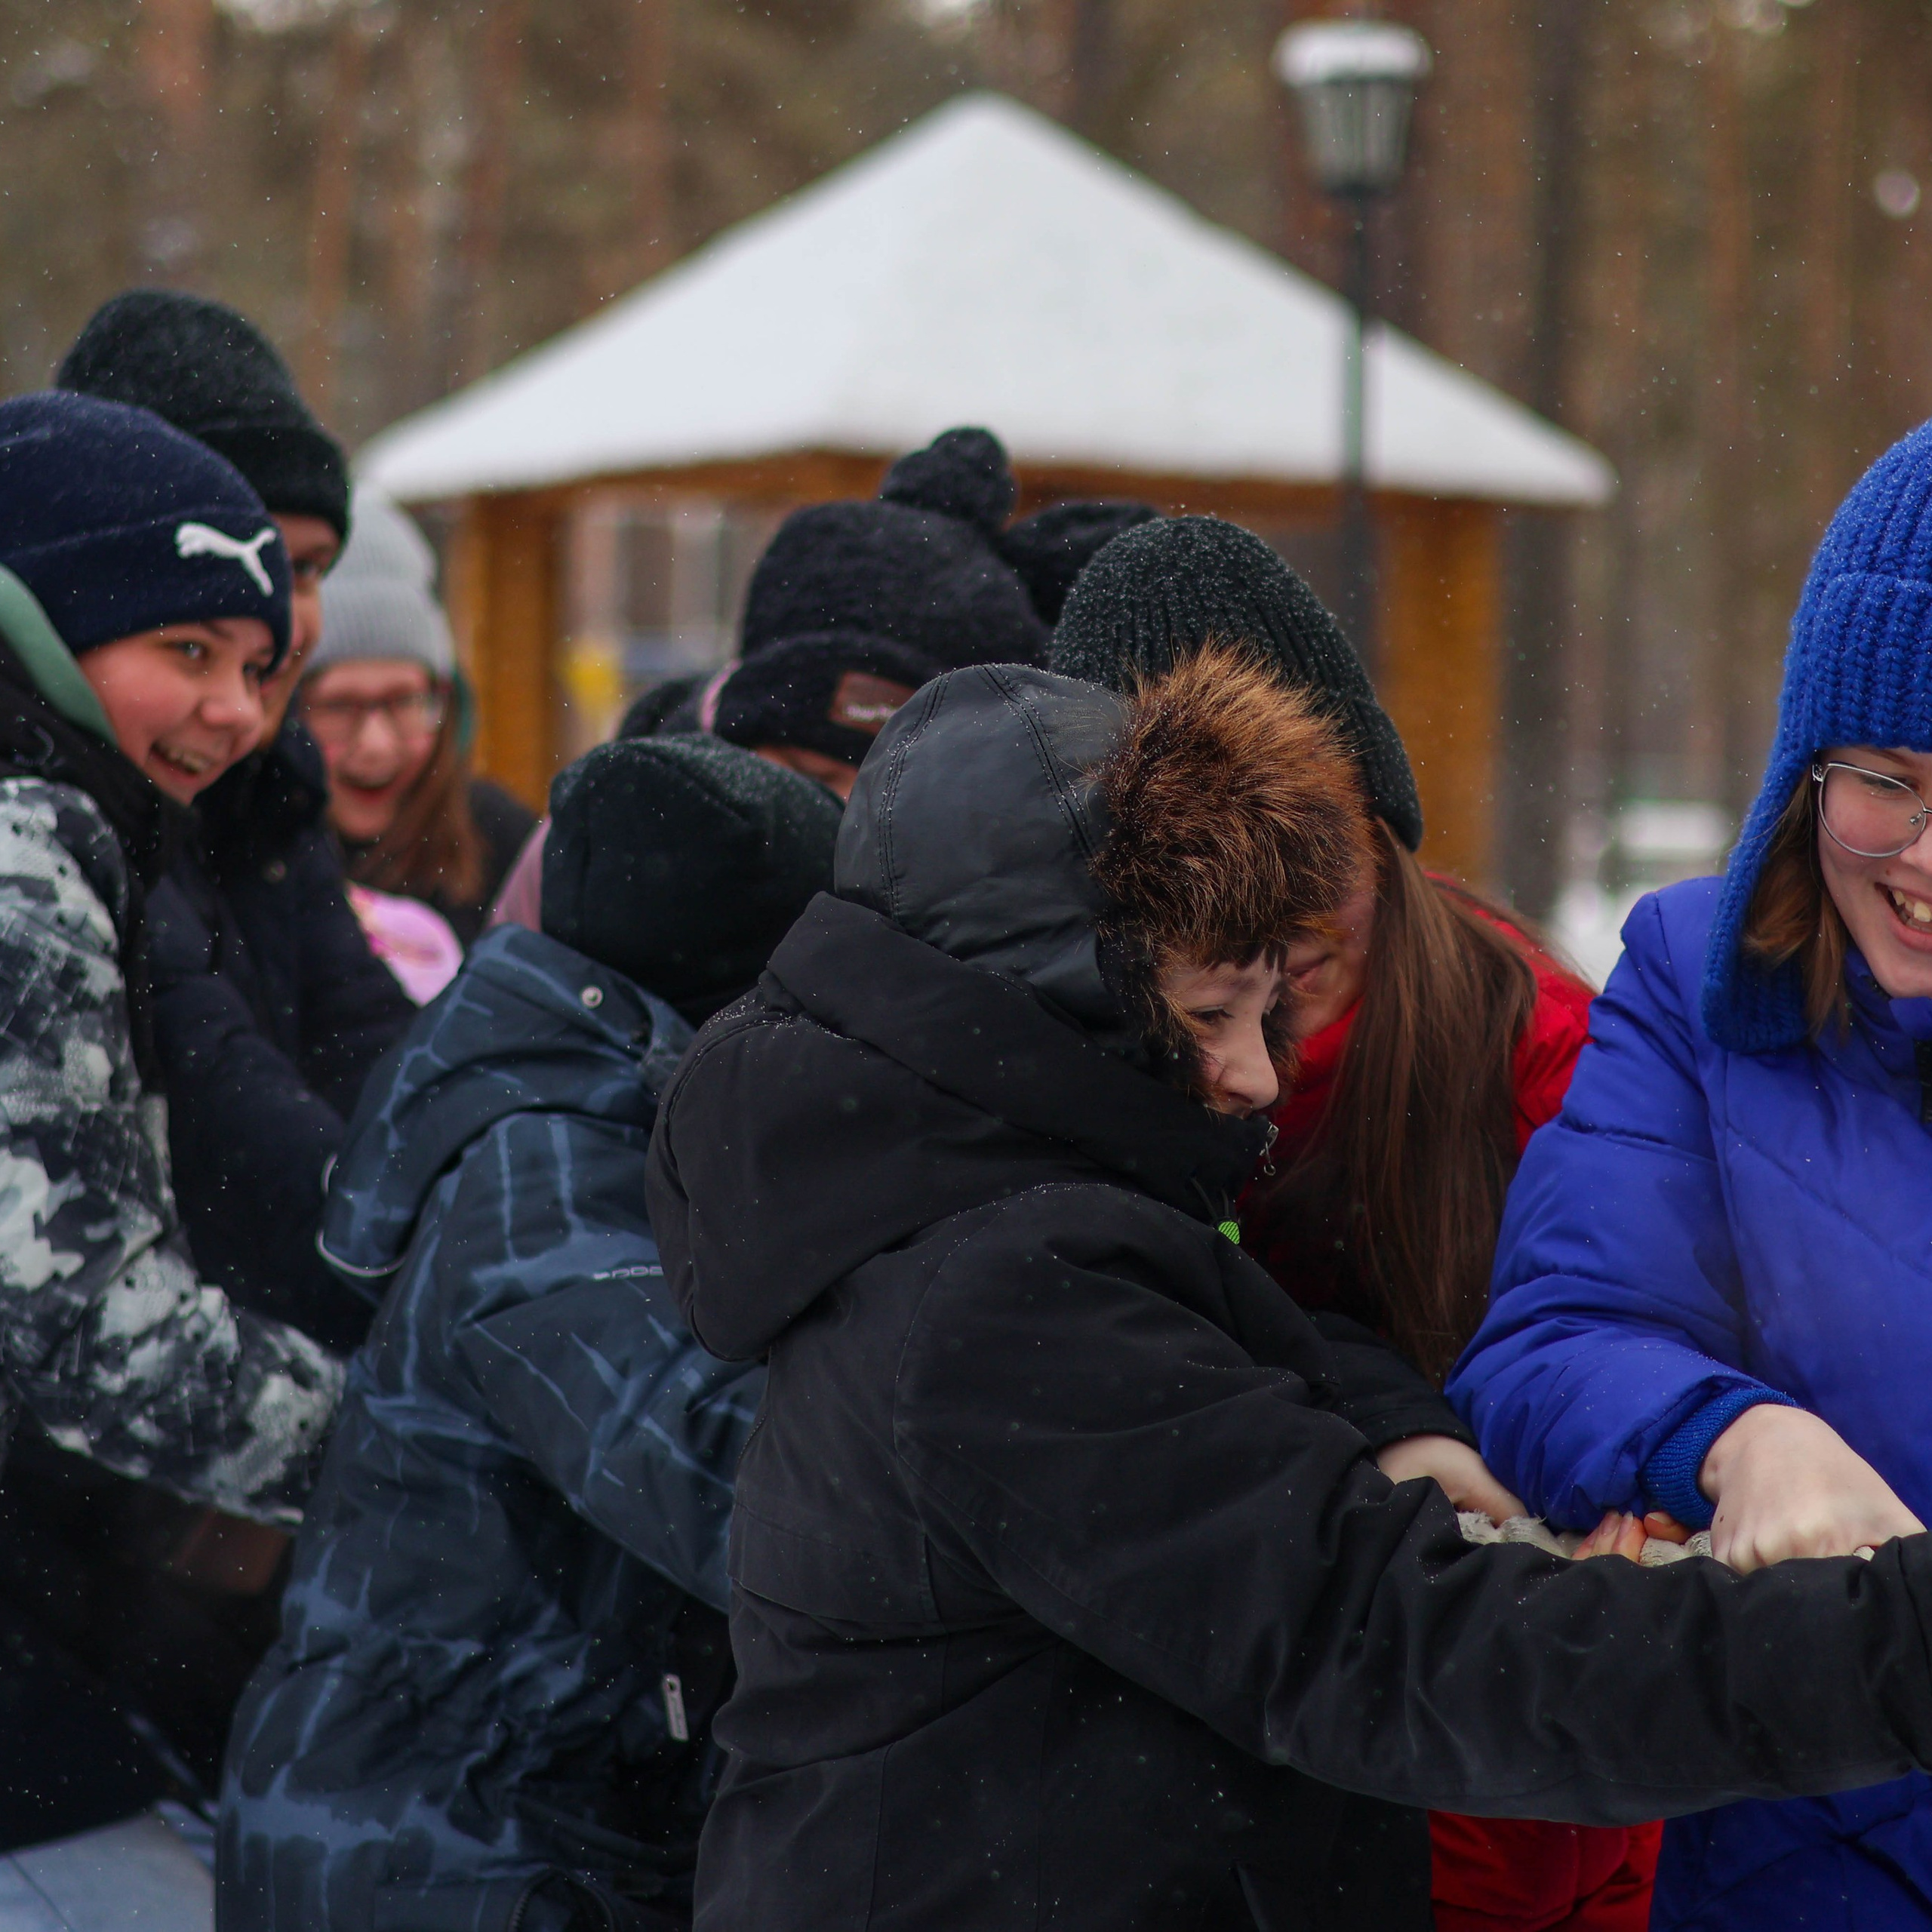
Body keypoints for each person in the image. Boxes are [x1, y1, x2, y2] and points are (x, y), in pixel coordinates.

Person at [647, 647, 1932, 1932]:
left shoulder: (940, 1203)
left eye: (1272, 1015)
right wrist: (1885, 1651)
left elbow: (1213, 1358)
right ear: (1055, 1002)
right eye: (1212, 1013)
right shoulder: (1003, 1294)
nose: (1258, 1079)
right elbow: (1391, 1647)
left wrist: (1395, 1427)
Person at [1050, 516, 1653, 1928]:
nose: (1283, 916)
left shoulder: (1540, 1052)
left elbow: (1629, 1368)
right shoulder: (1076, 1077)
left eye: (1312, 845)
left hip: (1513, 1788)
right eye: (1217, 873)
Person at [221, 737, 844, 1932]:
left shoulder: (611, 1129)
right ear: (731, 995)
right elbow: (743, 1491)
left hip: (524, 1822)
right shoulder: (546, 1175)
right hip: (433, 1851)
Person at [1449, 423, 1932, 1928]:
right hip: (1791, 1848)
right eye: (1889, 778)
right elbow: (1550, 1340)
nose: (1928, 852)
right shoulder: (1689, 979)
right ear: (1805, 762)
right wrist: (1727, 1433)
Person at [0, 391, 342, 1891]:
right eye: (185, 653)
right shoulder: (21, 848)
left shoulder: (91, 827)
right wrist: (405, 1447)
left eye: (260, 665)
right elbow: (78, 1321)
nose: (236, 714)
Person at [57, 290, 415, 1353]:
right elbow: (234, 1112)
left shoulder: (268, 794)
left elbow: (371, 1038)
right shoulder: (67, 820)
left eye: (309, 570)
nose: (292, 616)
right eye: (251, 558)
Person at [301, 491, 536, 946]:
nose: (375, 744)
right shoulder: (241, 858)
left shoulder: (500, 842)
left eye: (403, 701)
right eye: (337, 706)